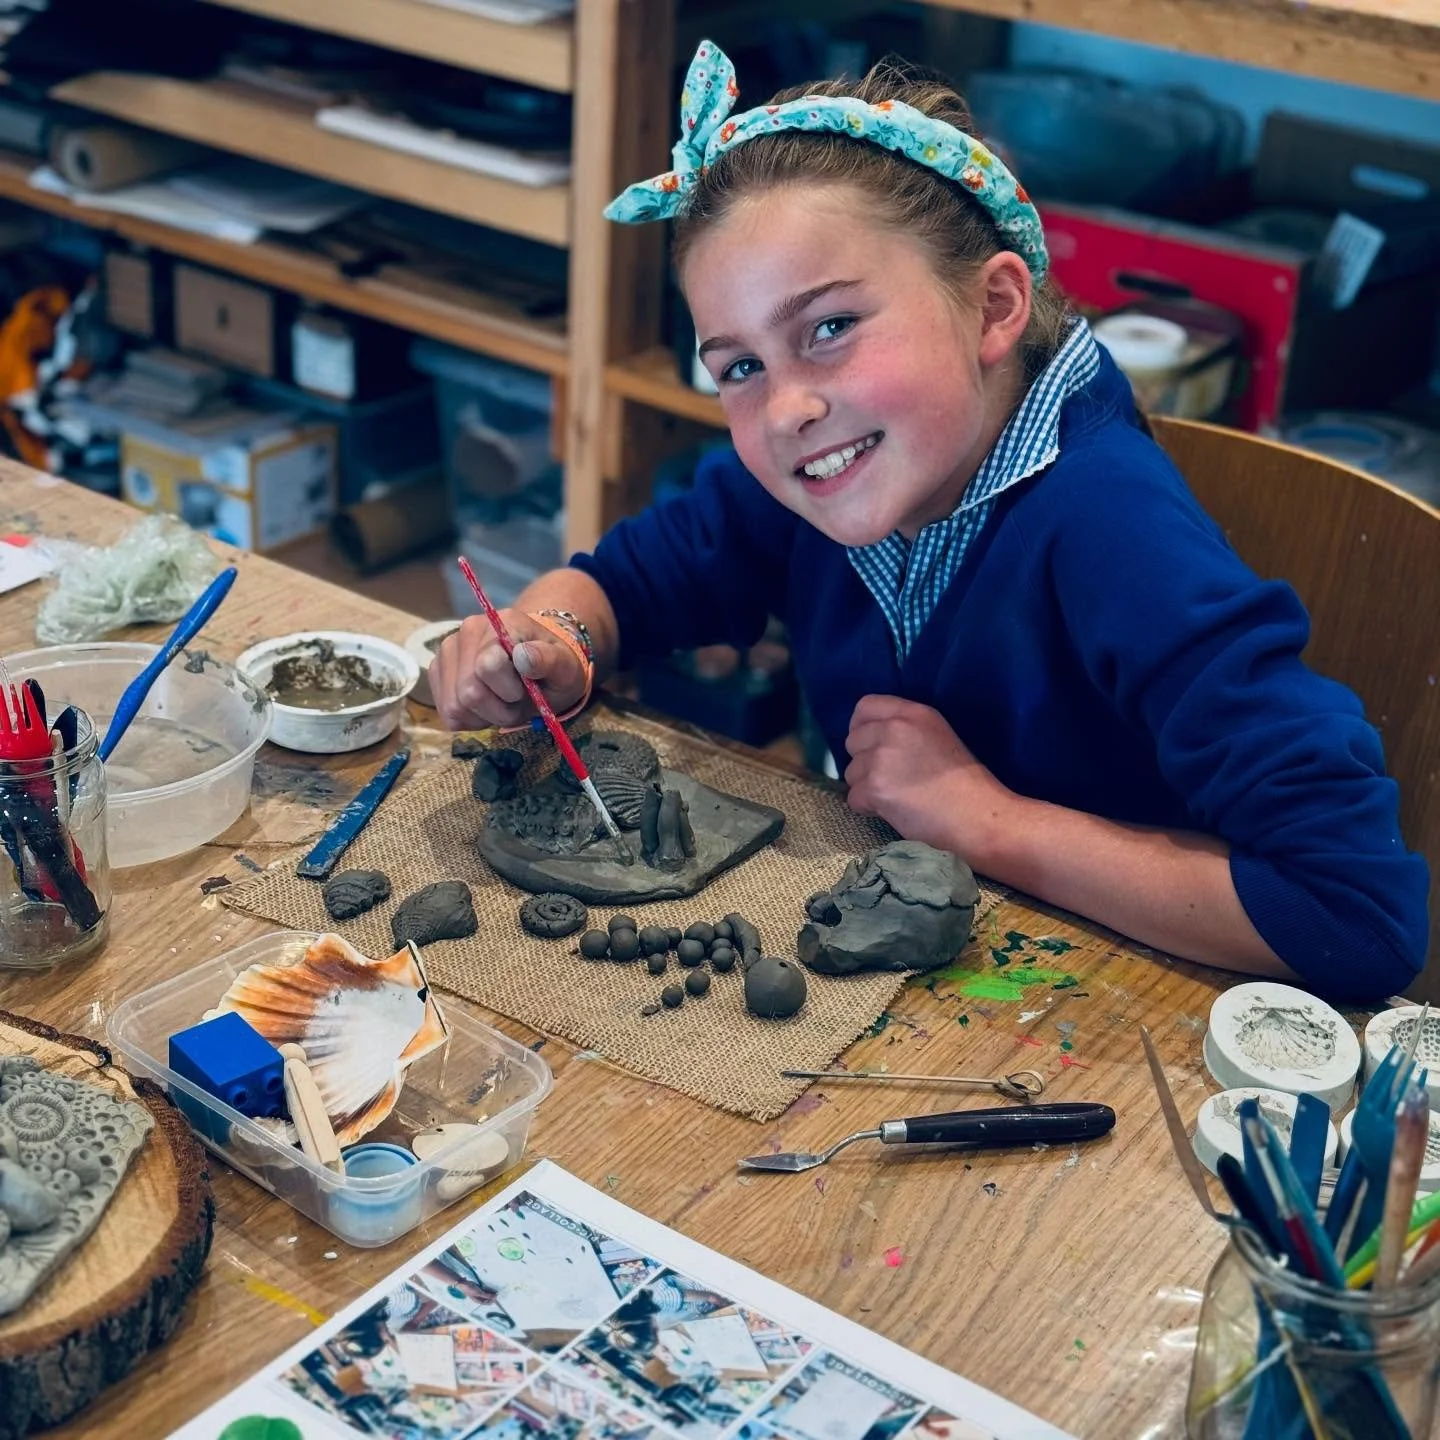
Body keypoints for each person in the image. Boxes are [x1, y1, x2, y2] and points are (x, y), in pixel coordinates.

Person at [431, 41, 1428, 1001]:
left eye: (829, 328)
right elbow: (633, 582)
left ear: (995, 307)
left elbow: (1355, 913)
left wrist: (983, 820)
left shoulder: (1111, 526)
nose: (786, 410)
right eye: (740, 366)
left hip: (1107, 993)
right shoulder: (834, 473)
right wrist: (551, 636)